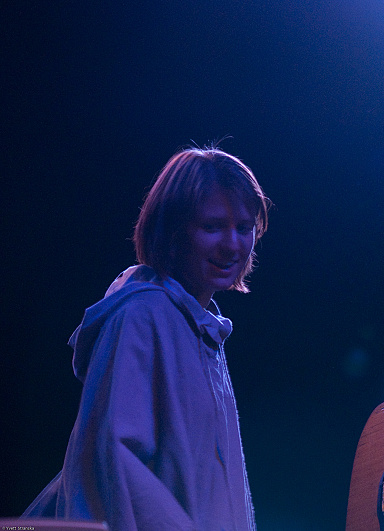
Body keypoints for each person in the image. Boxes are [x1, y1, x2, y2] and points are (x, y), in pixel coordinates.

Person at [23, 146, 272, 530]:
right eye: (212, 226)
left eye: (244, 227)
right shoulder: (140, 315)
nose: (233, 244)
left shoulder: (202, 327)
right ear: (173, 230)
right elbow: (120, 463)